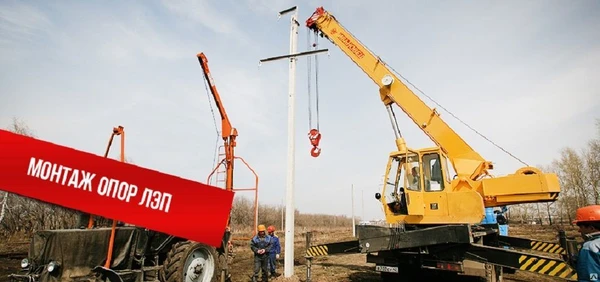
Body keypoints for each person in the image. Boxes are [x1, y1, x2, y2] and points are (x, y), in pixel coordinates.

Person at [573, 205, 600, 282]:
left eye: (581, 227)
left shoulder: (591, 246)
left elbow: (591, 277)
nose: (579, 231)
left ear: (591, 228)